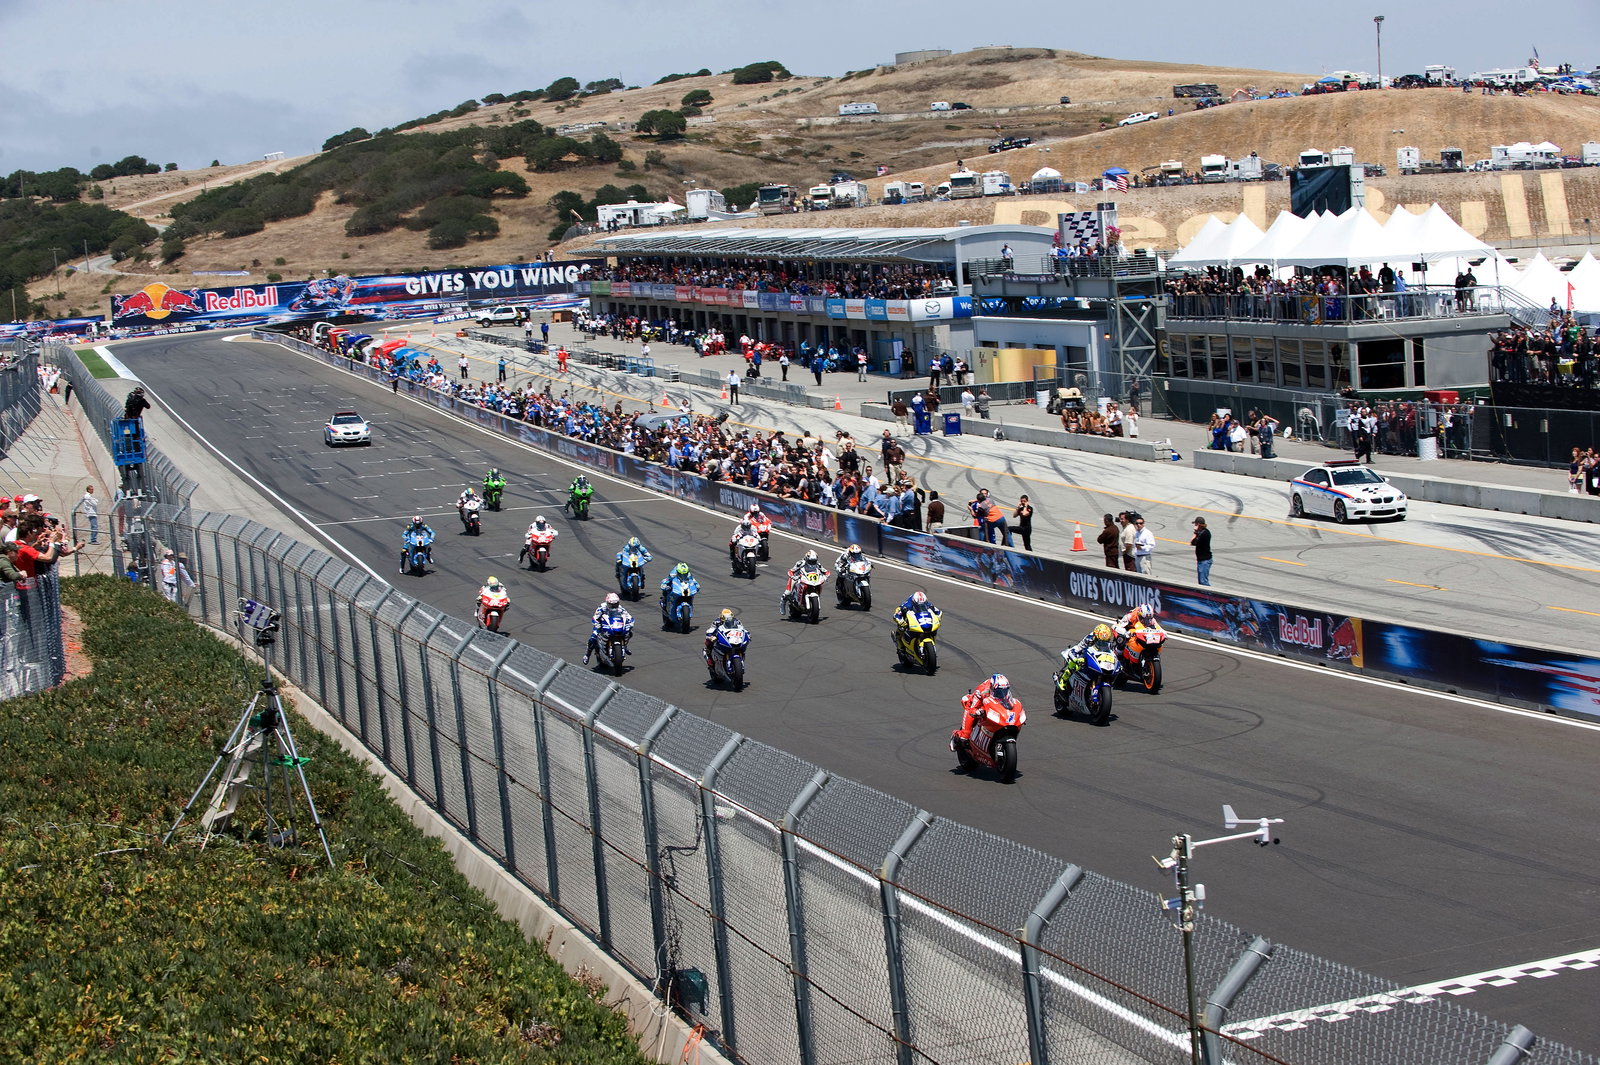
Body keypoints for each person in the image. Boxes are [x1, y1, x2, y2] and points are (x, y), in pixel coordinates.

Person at [956, 673, 1019, 741]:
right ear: (992, 688)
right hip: (975, 706)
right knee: (965, 736)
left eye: (1005, 690)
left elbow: (1009, 704)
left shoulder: (1004, 693)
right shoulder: (982, 691)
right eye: (999, 691)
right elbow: (973, 708)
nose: (1002, 693)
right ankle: (957, 738)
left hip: (990, 706)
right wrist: (978, 712)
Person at [583, 592, 633, 664]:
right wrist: (597, 624)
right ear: (607, 603)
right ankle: (587, 655)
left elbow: (628, 616)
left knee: (629, 633)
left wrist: (631, 622)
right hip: (602, 626)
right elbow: (595, 618)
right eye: (612, 605)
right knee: (593, 638)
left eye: (615, 604)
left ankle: (625, 646)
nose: (614, 606)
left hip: (615, 625)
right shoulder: (602, 608)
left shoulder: (620, 608)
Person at [780, 550, 829, 617]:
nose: (812, 563)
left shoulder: (817, 564)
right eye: (811, 561)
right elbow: (790, 571)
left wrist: (825, 576)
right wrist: (793, 576)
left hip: (811, 580)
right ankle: (782, 604)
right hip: (798, 578)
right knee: (788, 592)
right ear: (806, 559)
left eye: (814, 561)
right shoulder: (800, 563)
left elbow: (826, 571)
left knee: (819, 585)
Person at [1191, 517, 1213, 585]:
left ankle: (1208, 592)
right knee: (1201, 582)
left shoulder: (1204, 533)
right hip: (1201, 560)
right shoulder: (1201, 532)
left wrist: (1195, 533)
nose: (1194, 526)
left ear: (1198, 525)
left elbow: (1193, 542)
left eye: (1195, 524)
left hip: (1204, 561)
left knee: (1203, 582)